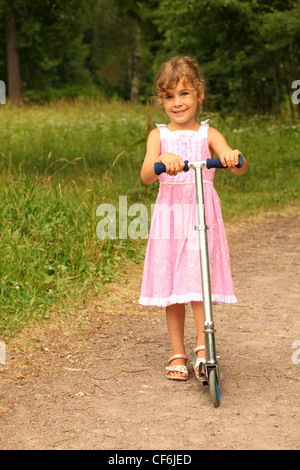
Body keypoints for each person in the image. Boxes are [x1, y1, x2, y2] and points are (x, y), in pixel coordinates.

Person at [139, 56, 248, 381]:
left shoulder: (208, 134)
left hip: (202, 214)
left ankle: (204, 348)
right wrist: (163, 159)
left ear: (199, 94)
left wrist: (231, 156)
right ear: (162, 100)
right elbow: (146, 175)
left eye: (184, 94)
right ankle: (177, 351)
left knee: (198, 280)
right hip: (170, 218)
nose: (177, 103)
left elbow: (239, 165)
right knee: (174, 284)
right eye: (169, 96)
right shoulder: (158, 136)